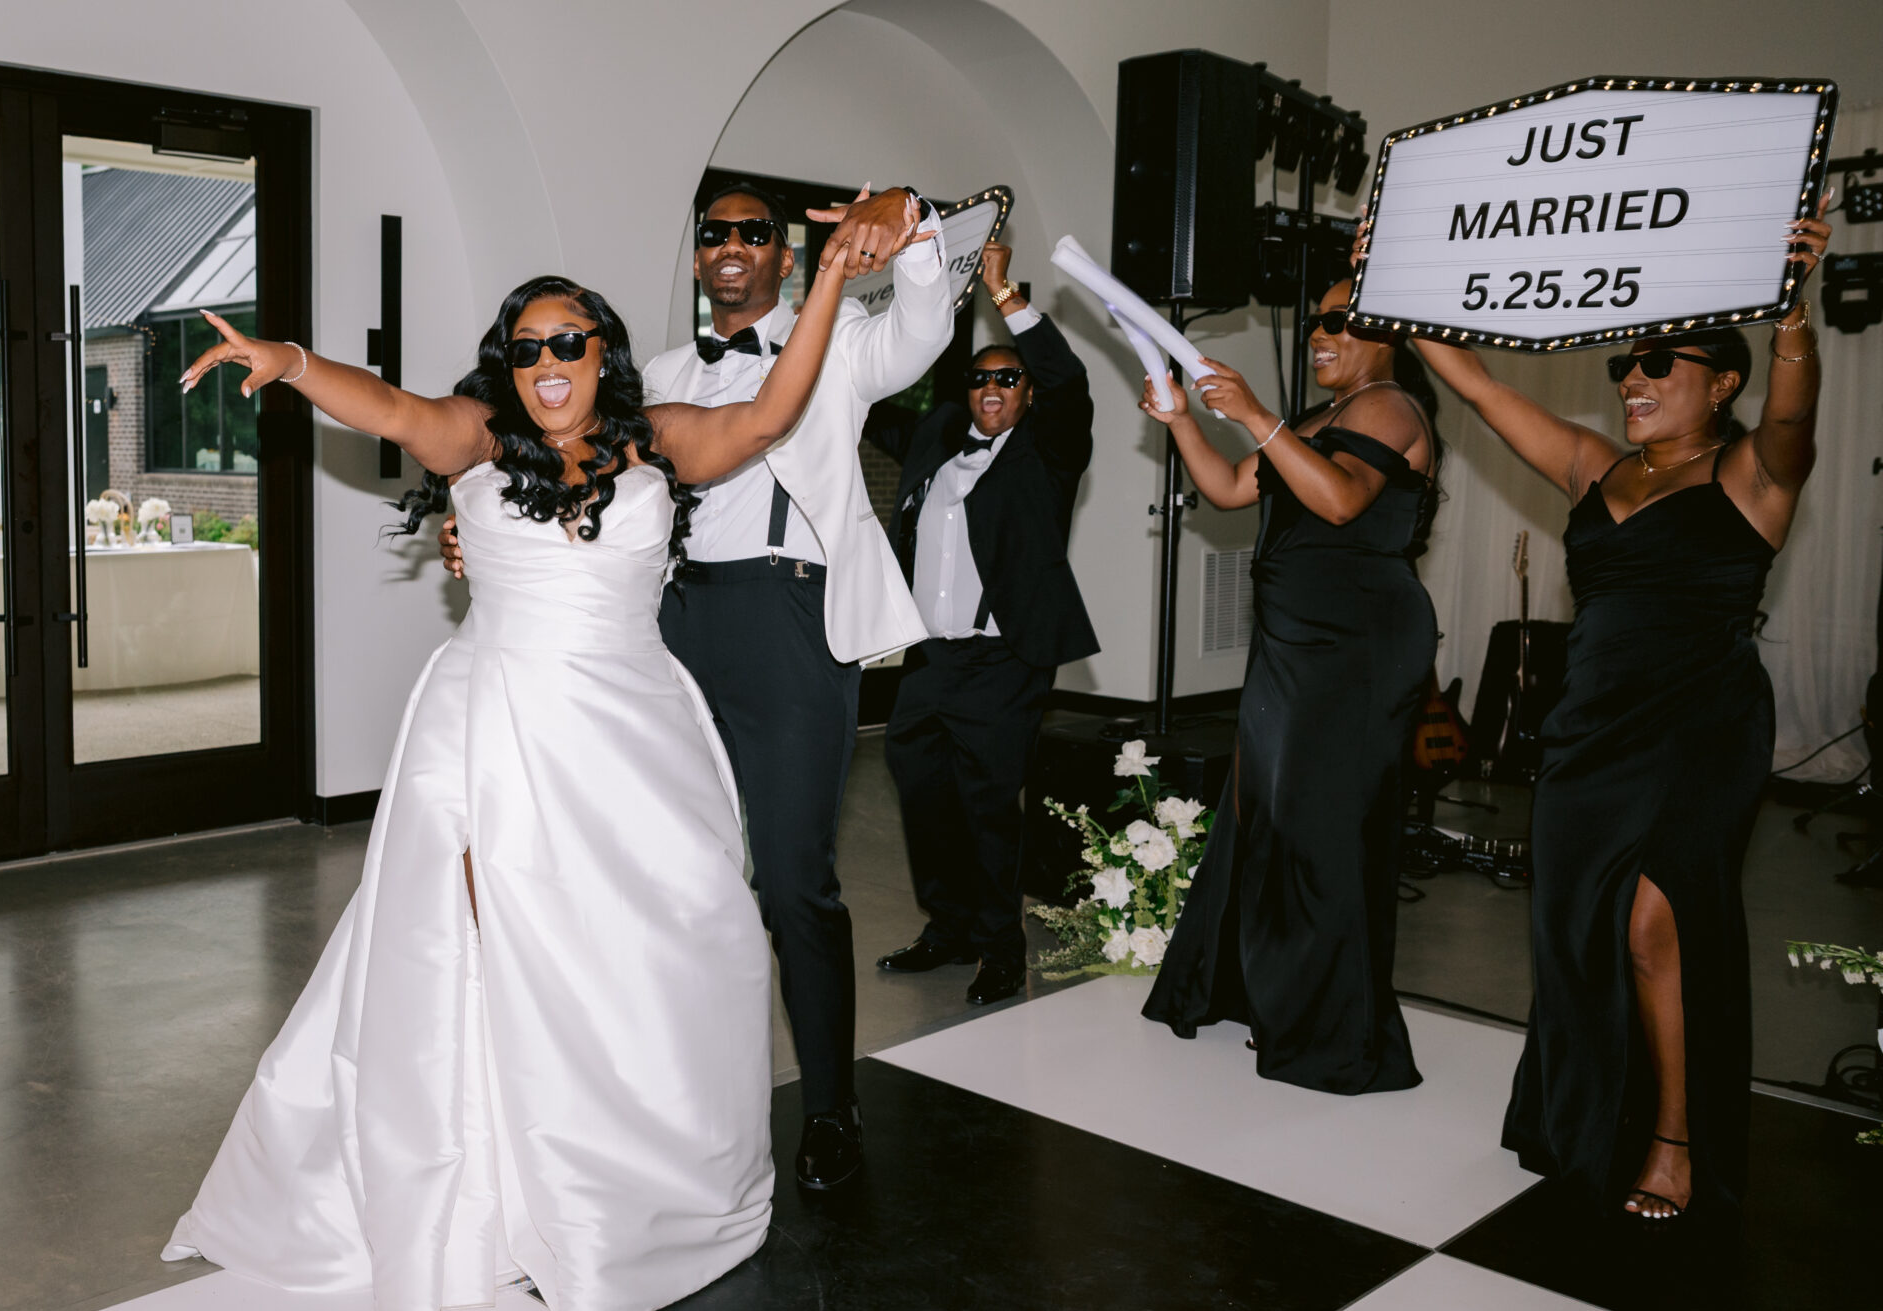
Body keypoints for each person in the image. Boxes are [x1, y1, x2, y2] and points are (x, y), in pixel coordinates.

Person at [162, 215, 915, 1311]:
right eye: (526, 349)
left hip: (637, 730)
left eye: (568, 343)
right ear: (505, 365)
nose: (548, 364)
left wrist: (829, 289)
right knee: (493, 944)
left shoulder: (659, 438)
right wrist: (294, 363)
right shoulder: (475, 437)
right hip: (494, 724)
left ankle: (639, 1175)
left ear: (604, 351)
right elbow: (393, 408)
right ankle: (501, 1191)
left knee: (683, 932)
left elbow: (767, 415)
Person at [441, 181, 948, 1192]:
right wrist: (477, 533)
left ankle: (828, 1107)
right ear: (697, 255)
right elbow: (555, 471)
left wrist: (911, 222)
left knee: (793, 879)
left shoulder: (844, 340)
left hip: (788, 621)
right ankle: (659, 1102)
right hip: (662, 627)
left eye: (754, 231)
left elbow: (925, 326)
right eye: (715, 231)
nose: (732, 244)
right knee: (656, 872)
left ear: (783, 256)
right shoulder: (657, 378)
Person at [1415, 198, 1832, 1220]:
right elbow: (1475, 385)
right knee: (1576, 924)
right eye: (1623, 364)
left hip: (1700, 727)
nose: (1632, 378)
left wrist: (1791, 312)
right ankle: (1587, 1112)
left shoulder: (1751, 473)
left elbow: (1792, 418)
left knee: (1655, 920)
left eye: (1657, 361)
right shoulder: (1595, 466)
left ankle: (1674, 1138)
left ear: (1721, 381)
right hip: (1589, 726)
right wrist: (1399, 291)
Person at [1137, 277, 1439, 1095]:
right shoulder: (1315, 419)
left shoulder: (1391, 407)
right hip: (1291, 640)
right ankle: (1262, 991)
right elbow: (1230, 489)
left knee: (1321, 824)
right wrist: (1182, 420)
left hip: (1355, 645)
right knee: (1265, 809)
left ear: (1386, 333)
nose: (1318, 334)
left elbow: (1340, 501)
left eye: (1339, 320)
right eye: (1315, 321)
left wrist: (1255, 414)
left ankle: (1328, 1027)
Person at [865, 240, 1098, 1006]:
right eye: (979, 378)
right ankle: (950, 927)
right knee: (925, 794)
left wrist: (1004, 294)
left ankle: (1002, 948)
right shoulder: (937, 433)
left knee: (991, 808)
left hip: (1003, 661)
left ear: (1027, 393)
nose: (991, 388)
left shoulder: (1049, 451)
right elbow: (868, 405)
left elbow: (1069, 383)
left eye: (1007, 378)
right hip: (930, 661)